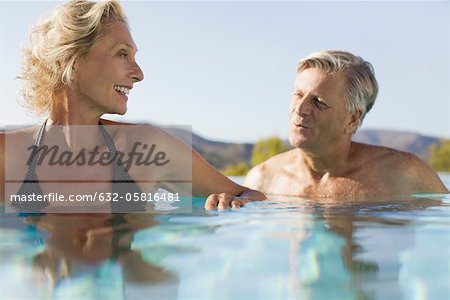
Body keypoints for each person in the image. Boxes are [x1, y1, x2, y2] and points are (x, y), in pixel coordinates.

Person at [0, 0, 265, 213]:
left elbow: (252, 195)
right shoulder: (6, 157)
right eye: (122, 54)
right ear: (73, 60)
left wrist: (233, 203)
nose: (138, 73)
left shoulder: (148, 147)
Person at [245, 50, 448, 199]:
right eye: (298, 95)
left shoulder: (403, 174)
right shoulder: (262, 180)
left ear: (352, 119)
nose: (300, 109)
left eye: (318, 102)